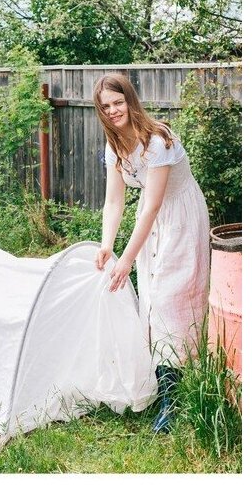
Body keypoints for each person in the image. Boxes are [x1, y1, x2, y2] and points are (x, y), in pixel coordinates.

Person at [92, 73, 210, 434]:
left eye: (118, 102)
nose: (113, 111)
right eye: (106, 106)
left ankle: (175, 399)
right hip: (154, 220)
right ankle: (163, 384)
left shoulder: (158, 140)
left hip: (179, 215)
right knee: (153, 303)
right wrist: (107, 245)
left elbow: (153, 206)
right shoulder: (115, 147)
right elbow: (115, 201)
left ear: (130, 100)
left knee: (172, 299)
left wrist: (126, 260)